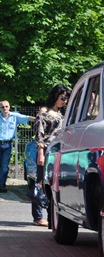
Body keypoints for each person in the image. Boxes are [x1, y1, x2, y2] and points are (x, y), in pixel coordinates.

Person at [31, 84, 71, 226]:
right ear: (55, 96)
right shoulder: (45, 111)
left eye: (66, 98)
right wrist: (40, 153)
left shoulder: (63, 113)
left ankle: (51, 216)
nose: (65, 101)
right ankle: (37, 216)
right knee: (41, 183)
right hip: (47, 150)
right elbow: (39, 133)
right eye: (62, 98)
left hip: (58, 152)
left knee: (53, 184)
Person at [0, 100, 34, 193]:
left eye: (6, 106)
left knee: (4, 166)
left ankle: (1, 185)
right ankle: (1, 184)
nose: (5, 108)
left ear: (9, 107)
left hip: (8, 144)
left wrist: (41, 118)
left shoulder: (15, 116)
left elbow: (28, 118)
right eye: (2, 107)